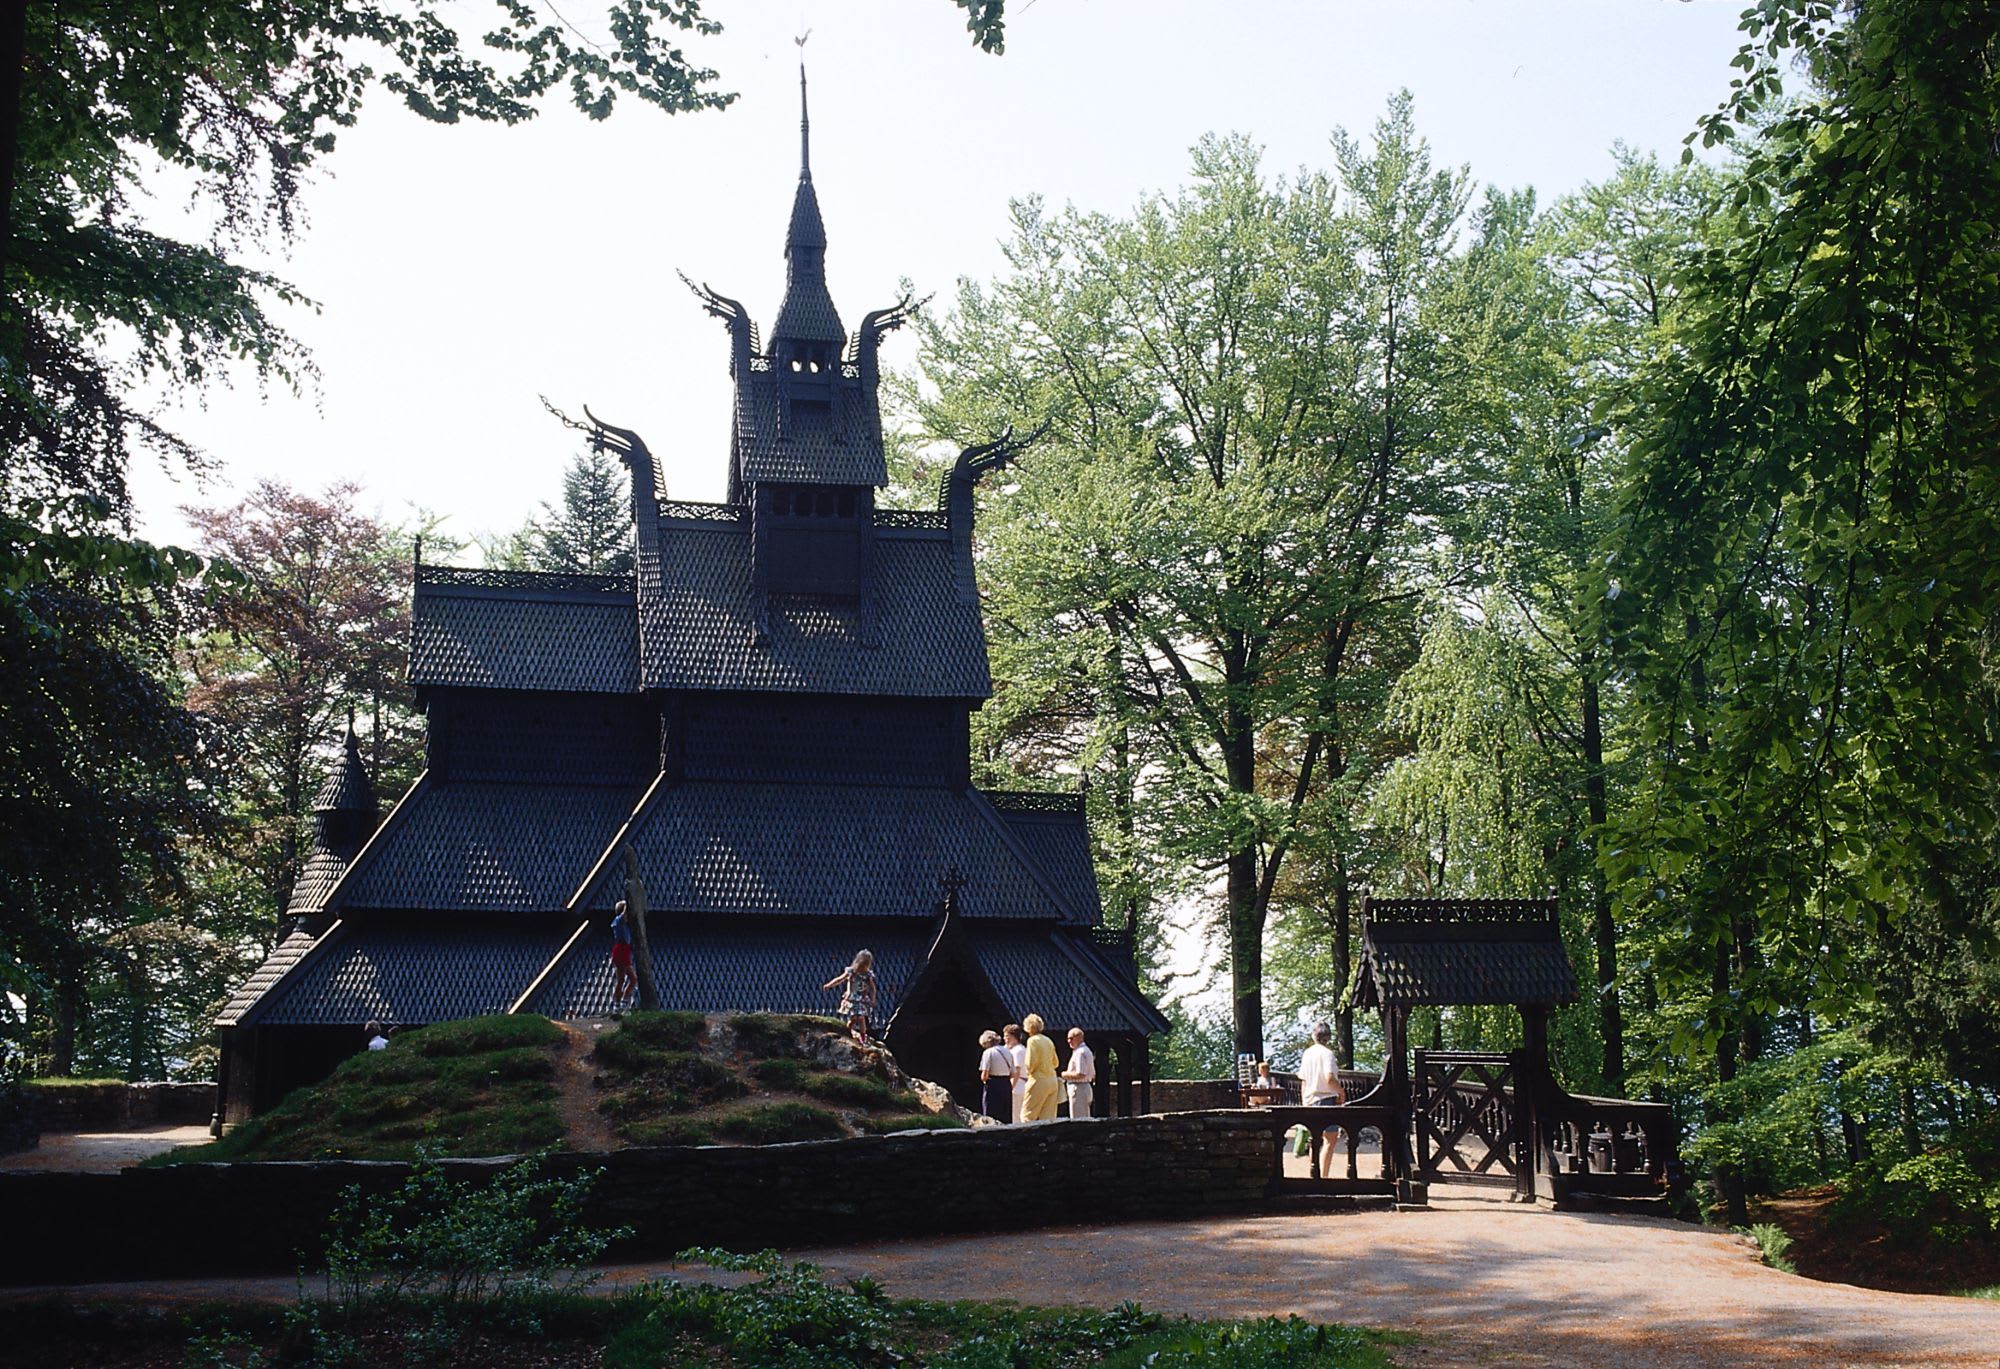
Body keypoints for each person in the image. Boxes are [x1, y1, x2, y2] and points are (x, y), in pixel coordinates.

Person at [1298, 1020, 1346, 1174]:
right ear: (1328, 1037)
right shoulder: (1327, 1054)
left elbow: (1303, 1081)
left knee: (1315, 1140)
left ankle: (1314, 1173)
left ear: (1314, 1036)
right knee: (1329, 1141)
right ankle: (1323, 1176)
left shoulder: (1307, 1053)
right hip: (1326, 1100)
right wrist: (1341, 1092)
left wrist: (1304, 1101)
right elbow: (1329, 1078)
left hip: (1310, 1100)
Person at [823, 949, 877, 1043]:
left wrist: (873, 999)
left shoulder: (867, 975)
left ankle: (863, 1036)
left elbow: (872, 988)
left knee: (860, 1017)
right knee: (855, 1018)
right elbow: (840, 979)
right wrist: (829, 985)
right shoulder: (851, 972)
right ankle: (847, 1030)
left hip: (861, 999)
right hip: (852, 997)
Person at [1020, 1013, 1060, 1122]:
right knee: (1048, 1117)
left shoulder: (1032, 1041)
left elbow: (1030, 1063)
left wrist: (1029, 1073)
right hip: (1052, 1080)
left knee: (1027, 1115)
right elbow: (1056, 1063)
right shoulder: (1048, 1040)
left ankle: (1026, 1138)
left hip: (1038, 1079)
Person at [1060, 1026, 1096, 1120]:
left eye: (1071, 1038)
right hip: (1084, 1087)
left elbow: (1081, 1073)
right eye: (1068, 1038)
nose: (1069, 1041)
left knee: (1078, 1120)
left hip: (1079, 1088)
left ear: (1079, 1037)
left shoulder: (1080, 1053)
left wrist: (1064, 1074)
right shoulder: (1086, 1050)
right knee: (1084, 1118)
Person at [977, 1030, 1013, 1122]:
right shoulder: (1007, 1051)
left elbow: (984, 1074)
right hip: (1006, 1084)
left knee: (991, 1114)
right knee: (1005, 1113)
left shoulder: (988, 1052)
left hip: (993, 1084)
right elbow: (1013, 1072)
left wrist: (983, 1080)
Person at [609, 900, 637, 1007]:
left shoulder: (623, 924)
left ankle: (623, 1001)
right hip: (621, 951)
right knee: (621, 979)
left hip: (625, 951)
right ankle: (617, 1003)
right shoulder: (619, 920)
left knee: (633, 979)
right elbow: (625, 913)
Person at [1003, 1023, 1028, 1123]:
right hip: (1020, 1085)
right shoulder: (1019, 1049)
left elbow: (1016, 1071)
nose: (1005, 1039)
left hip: (1018, 1085)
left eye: (1006, 1036)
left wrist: (1010, 1088)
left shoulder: (1017, 1051)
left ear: (1013, 1037)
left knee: (1016, 1115)